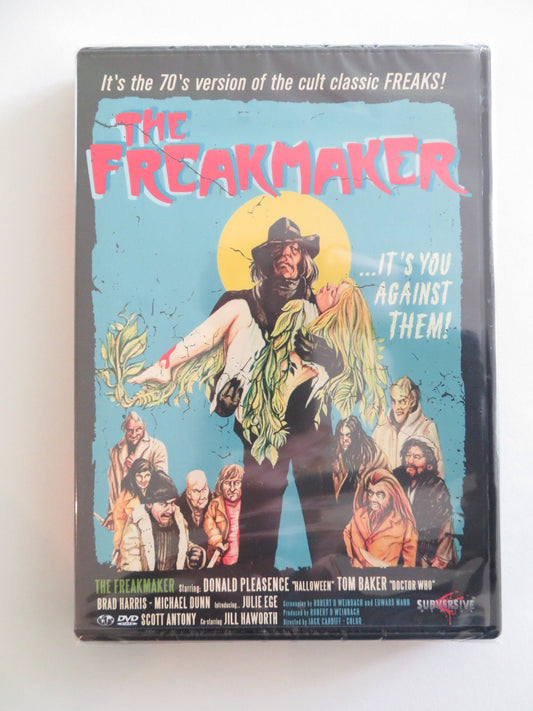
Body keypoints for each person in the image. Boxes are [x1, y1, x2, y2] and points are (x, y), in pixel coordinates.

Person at [130, 218, 386, 568]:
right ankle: (254, 579)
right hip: (261, 426)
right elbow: (216, 359)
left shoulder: (323, 307)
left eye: (294, 249)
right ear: (266, 259)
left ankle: (331, 580)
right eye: (278, 249)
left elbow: (347, 360)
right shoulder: (242, 302)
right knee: (261, 512)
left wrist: (321, 351)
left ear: (304, 259)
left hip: (311, 429)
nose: (286, 255)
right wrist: (224, 397)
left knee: (321, 508)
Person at [325, 416, 391, 553]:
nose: (344, 440)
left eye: (348, 435)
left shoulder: (370, 453)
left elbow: (383, 478)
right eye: (341, 435)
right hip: (343, 510)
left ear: (356, 435)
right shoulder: (337, 454)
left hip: (367, 507)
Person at [393, 438, 457, 568]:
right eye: (408, 455)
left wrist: (441, 559)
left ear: (428, 463)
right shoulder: (398, 483)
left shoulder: (436, 487)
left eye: (417, 457)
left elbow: (445, 526)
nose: (410, 461)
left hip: (431, 556)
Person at [119, 475, 205, 571]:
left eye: (172, 503)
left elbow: (183, 544)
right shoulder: (136, 525)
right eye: (164, 504)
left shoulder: (179, 520)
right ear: (149, 504)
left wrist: (193, 552)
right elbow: (131, 559)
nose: (170, 510)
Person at [104, 411, 168, 528]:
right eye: (130, 430)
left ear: (144, 428)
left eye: (138, 429)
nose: (134, 434)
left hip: (149, 514)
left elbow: (163, 481)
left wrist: (138, 465)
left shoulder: (157, 447)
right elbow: (113, 485)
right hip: (124, 514)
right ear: (125, 430)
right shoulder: (115, 451)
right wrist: (113, 512)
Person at [343, 469, 418, 568]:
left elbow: (409, 566)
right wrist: (352, 560)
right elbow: (346, 534)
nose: (373, 499)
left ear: (392, 497)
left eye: (380, 495)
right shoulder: (358, 515)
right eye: (371, 493)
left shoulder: (405, 526)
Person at [373, 375, 444, 477]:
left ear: (412, 401)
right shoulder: (381, 428)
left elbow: (438, 470)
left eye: (402, 401)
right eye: (394, 401)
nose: (397, 407)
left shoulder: (427, 427)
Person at [112, 458, 155, 563]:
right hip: (133, 542)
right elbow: (119, 522)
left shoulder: (157, 492)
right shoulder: (125, 497)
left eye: (147, 475)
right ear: (133, 476)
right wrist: (118, 546)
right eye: (139, 476)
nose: (143, 480)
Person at [203, 464, 244, 566]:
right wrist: (217, 542)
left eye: (237, 483)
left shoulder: (248, 504)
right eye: (227, 483)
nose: (232, 488)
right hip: (221, 561)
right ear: (220, 485)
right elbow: (210, 527)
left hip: (244, 562)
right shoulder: (215, 505)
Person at [176, 470, 212, 551]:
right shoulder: (177, 507)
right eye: (196, 491)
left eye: (204, 489)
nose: (202, 496)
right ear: (188, 493)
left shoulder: (216, 503)